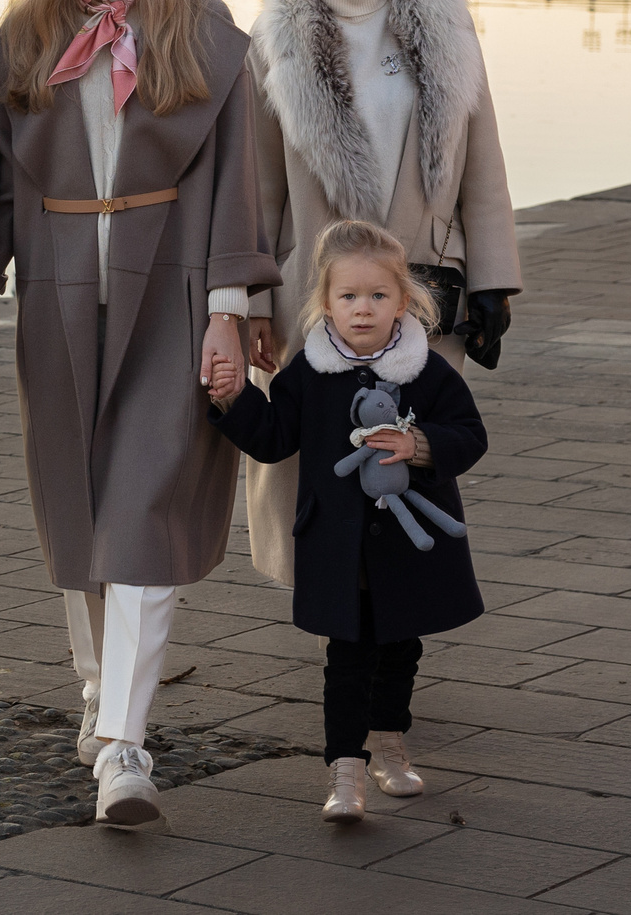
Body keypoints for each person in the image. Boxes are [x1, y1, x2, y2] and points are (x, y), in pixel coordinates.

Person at [0, 0, 278, 826]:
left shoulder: (203, 27)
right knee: (81, 510)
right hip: (60, 290)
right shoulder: (25, 31)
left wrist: (231, 311)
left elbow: (238, 180)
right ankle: (96, 692)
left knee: (144, 512)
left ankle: (123, 747)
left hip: (174, 293)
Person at [241, 0, 519, 590]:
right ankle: (332, 610)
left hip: (422, 283)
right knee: (316, 459)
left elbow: (482, 155)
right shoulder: (271, 40)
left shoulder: (442, 13)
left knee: (410, 447)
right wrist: (255, 304)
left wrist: (493, 279)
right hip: (316, 289)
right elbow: (255, 190)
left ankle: (400, 617)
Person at [206, 219, 487, 822]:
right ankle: (345, 769)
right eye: (349, 296)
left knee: (401, 647)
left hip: (407, 546)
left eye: (378, 295)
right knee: (347, 656)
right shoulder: (309, 373)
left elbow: (470, 434)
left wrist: (420, 446)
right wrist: (234, 397)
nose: (363, 309)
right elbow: (273, 438)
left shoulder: (426, 370)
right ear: (326, 302)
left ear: (403, 302)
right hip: (338, 546)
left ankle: (388, 743)